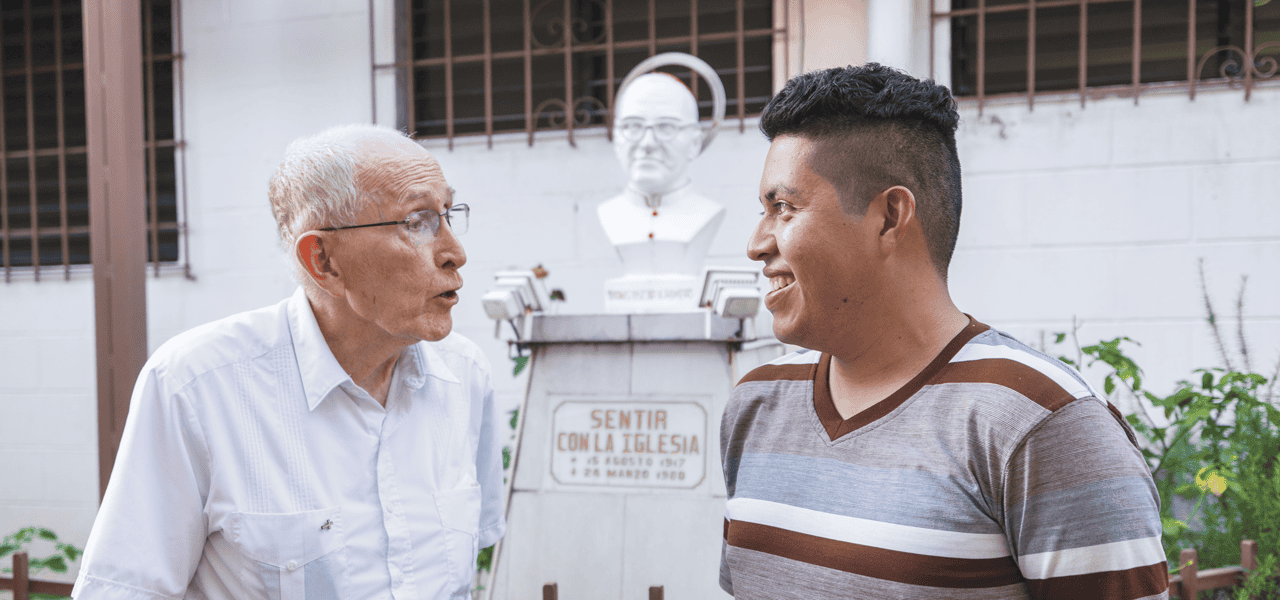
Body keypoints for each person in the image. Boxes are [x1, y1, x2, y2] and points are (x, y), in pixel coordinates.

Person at [719, 64, 1168, 599]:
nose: (756, 242)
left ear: (889, 216)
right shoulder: (757, 403)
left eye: (784, 208)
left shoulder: (1040, 422)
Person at [72, 125, 506, 600]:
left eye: (448, 214)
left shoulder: (464, 376)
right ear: (323, 260)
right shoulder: (194, 386)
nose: (455, 253)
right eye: (418, 222)